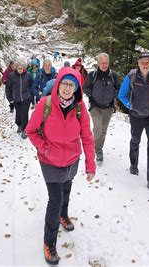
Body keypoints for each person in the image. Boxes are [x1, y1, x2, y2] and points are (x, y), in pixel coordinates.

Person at [25, 67, 96, 265]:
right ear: (58, 84)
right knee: (55, 199)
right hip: (50, 161)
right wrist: (44, 149)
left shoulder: (80, 108)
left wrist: (90, 165)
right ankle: (49, 242)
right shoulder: (45, 105)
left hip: (72, 159)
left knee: (67, 188)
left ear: (76, 87)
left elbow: (87, 138)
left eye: (71, 85)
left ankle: (63, 216)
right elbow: (31, 131)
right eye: (64, 83)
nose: (67, 88)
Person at [117, 51, 149, 193]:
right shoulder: (132, 76)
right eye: (142, 62)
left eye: (148, 62)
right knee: (135, 141)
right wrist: (131, 106)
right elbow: (121, 95)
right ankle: (134, 164)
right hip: (136, 116)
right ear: (138, 63)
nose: (145, 64)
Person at [83, 53, 121, 162]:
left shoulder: (113, 76)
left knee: (103, 130)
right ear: (98, 63)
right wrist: (92, 94)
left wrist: (113, 95)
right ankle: (97, 149)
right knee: (97, 129)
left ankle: (99, 147)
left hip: (108, 107)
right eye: (102, 63)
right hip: (95, 106)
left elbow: (119, 88)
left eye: (106, 63)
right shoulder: (92, 75)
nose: (104, 65)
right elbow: (85, 87)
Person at [6, 61, 33, 139]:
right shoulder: (12, 76)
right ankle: (19, 124)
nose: (20, 70)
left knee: (25, 113)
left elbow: (31, 85)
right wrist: (9, 98)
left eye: (22, 68)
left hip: (26, 97)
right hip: (16, 97)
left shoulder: (28, 75)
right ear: (16, 68)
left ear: (24, 68)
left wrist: (31, 96)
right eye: (19, 68)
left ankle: (24, 129)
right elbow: (8, 87)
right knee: (18, 112)